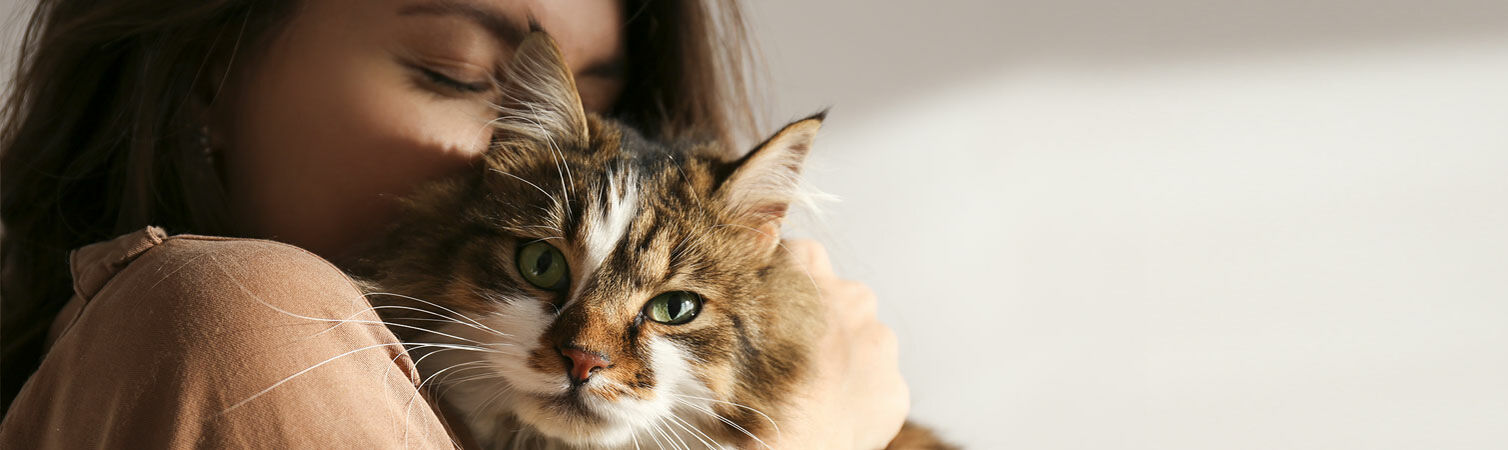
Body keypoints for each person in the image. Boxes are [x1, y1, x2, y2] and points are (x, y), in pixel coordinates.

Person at [0, 0, 909, 447]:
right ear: (207, 71)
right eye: (465, 76)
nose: (525, 156)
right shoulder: (246, 319)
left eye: (603, 102)